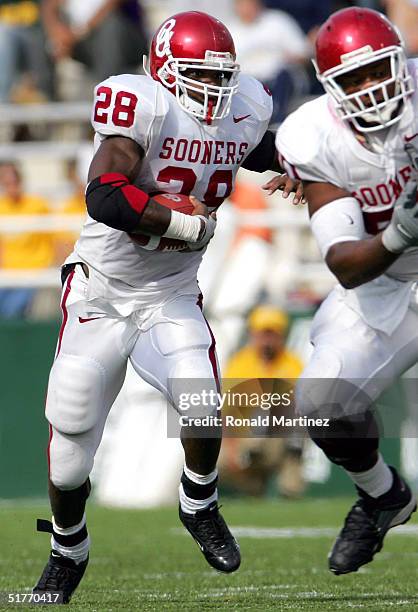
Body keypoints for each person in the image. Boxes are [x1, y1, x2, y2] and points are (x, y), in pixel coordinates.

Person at [32, 11, 303, 603]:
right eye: (197, 75)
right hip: (102, 291)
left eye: (220, 77)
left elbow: (254, 146)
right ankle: (67, 547)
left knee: (202, 401)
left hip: (169, 294)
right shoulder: (142, 105)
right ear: (163, 69)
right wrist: (180, 221)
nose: (211, 91)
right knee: (72, 432)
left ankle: (198, 501)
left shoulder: (240, 109)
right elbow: (105, 193)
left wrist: (294, 164)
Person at [275, 7, 418, 576]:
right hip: (383, 286)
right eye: (353, 79)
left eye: (378, 71)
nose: (369, 89)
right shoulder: (314, 136)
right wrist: (402, 231)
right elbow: (345, 263)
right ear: (331, 86)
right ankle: (382, 494)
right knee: (322, 403)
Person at [219, 305, 305, 498]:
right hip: (247, 441)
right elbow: (227, 413)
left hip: (282, 439)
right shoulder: (240, 364)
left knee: (291, 487)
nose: (267, 340)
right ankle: (252, 483)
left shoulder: (293, 364)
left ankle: (288, 481)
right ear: (253, 334)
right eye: (263, 334)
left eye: (273, 334)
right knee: (222, 460)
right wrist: (230, 448)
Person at [0, 161, 55, 318]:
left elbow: (55, 238)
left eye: (14, 182)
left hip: (34, 273)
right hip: (8, 274)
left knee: (10, 311)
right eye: (6, 183)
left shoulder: (38, 205)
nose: (11, 187)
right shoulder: (1, 206)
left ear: (20, 181)